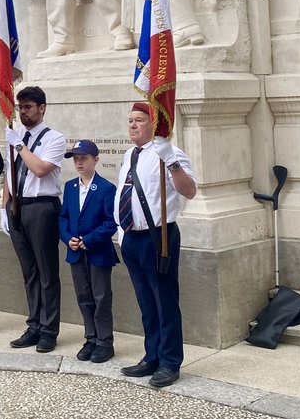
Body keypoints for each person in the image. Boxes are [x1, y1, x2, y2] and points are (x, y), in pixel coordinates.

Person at [116, 101, 198, 388]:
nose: (133, 125)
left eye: (139, 120)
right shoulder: (130, 155)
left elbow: (189, 191)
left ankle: (170, 361)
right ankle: (151, 355)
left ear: (154, 123)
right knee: (146, 303)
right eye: (130, 121)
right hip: (131, 237)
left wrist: (171, 162)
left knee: (164, 301)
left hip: (158, 237)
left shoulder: (169, 153)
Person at [0, 85, 68, 353]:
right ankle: (35, 325)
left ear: (42, 108)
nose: (23, 113)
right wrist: (3, 207)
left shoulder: (54, 138)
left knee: (46, 271)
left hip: (42, 207)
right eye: (20, 108)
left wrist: (19, 146)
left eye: (28, 107)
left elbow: (39, 169)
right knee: (29, 272)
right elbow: (9, 173)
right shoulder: (16, 136)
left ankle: (50, 330)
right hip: (18, 206)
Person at [58, 139, 119, 363]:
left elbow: (111, 222)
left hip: (97, 252)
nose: (79, 163)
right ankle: (91, 338)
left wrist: (89, 240)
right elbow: (63, 217)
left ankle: (105, 341)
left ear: (95, 160)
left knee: (101, 296)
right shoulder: (71, 187)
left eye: (83, 158)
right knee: (84, 296)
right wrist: (68, 239)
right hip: (75, 252)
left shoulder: (105, 188)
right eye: (76, 159)